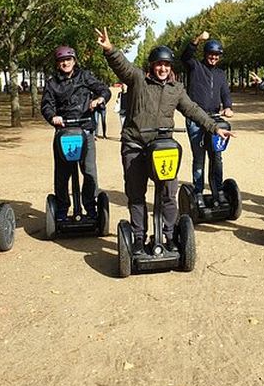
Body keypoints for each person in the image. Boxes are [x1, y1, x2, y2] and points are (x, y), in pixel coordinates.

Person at [96, 27, 234, 254]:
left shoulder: (176, 89)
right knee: (136, 194)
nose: (162, 68)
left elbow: (192, 109)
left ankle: (169, 236)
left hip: (162, 147)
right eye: (159, 64)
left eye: (166, 65)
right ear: (152, 65)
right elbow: (123, 66)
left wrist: (214, 127)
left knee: (168, 194)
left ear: (171, 68)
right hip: (135, 145)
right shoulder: (138, 79)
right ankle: (139, 238)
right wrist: (110, 50)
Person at [40, 45, 111, 220]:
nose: (65, 63)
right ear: (58, 64)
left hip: (84, 127)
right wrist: (53, 117)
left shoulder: (85, 76)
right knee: (62, 174)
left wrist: (99, 100)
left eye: (68, 60)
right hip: (64, 130)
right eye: (62, 61)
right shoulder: (52, 83)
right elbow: (46, 105)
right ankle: (63, 208)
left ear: (74, 61)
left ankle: (90, 206)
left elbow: (104, 90)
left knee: (89, 171)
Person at [180, 31, 234, 208]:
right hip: (196, 118)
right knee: (199, 157)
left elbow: (225, 92)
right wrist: (197, 39)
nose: (213, 57)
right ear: (206, 54)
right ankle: (198, 192)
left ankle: (218, 191)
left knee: (216, 156)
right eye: (211, 54)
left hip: (215, 118)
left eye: (216, 55)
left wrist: (228, 106)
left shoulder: (220, 73)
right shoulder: (195, 66)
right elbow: (185, 56)